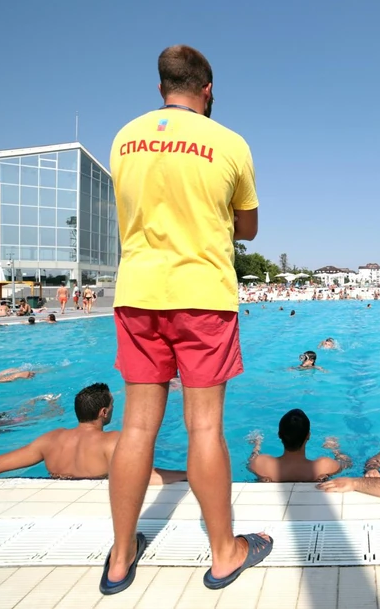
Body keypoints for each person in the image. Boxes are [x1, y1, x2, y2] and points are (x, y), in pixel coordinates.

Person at [102, 44, 267, 596]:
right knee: (205, 428)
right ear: (208, 90)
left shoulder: (125, 138)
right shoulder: (230, 143)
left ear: (160, 87)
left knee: (136, 428)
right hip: (203, 295)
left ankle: (120, 558)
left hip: (139, 292)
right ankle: (224, 553)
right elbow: (248, 228)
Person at [0, 383, 187, 487]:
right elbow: (144, 477)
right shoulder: (114, 441)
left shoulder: (50, 439)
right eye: (111, 406)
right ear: (104, 413)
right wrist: (190, 474)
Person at [247, 409, 352, 482]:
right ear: (308, 436)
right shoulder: (324, 466)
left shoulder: (261, 463)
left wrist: (256, 446)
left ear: (279, 434)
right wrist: (335, 449)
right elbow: (347, 463)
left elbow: (250, 462)